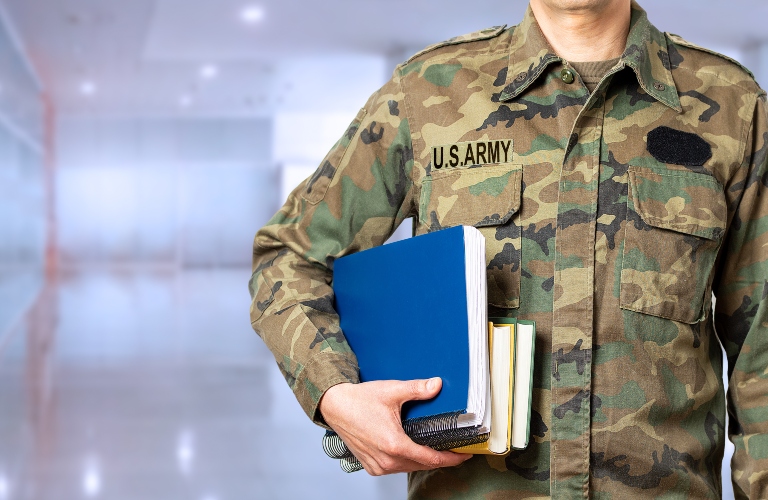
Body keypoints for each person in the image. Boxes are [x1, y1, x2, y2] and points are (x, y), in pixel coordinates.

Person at [249, 0, 768, 497]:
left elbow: (761, 348)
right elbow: (289, 257)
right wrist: (335, 393)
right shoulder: (427, 92)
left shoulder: (732, 105)